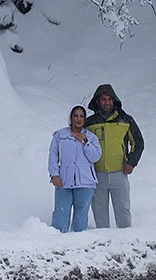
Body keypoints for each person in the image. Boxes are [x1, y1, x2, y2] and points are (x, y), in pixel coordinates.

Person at [84, 83, 144, 228]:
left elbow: (138, 142)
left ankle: (127, 243)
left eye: (110, 99)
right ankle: (104, 245)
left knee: (123, 211)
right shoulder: (90, 123)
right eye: (103, 99)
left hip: (119, 173)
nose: (107, 102)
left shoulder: (126, 120)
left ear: (114, 101)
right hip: (97, 174)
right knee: (99, 213)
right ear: (98, 101)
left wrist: (131, 162)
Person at [48, 105, 102, 233]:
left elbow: (95, 157)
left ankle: (79, 242)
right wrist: (54, 174)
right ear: (71, 118)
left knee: (81, 214)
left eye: (81, 116)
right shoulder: (60, 135)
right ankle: (57, 241)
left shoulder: (91, 137)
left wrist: (85, 142)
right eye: (75, 116)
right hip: (64, 181)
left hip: (85, 182)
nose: (78, 119)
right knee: (61, 212)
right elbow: (52, 156)